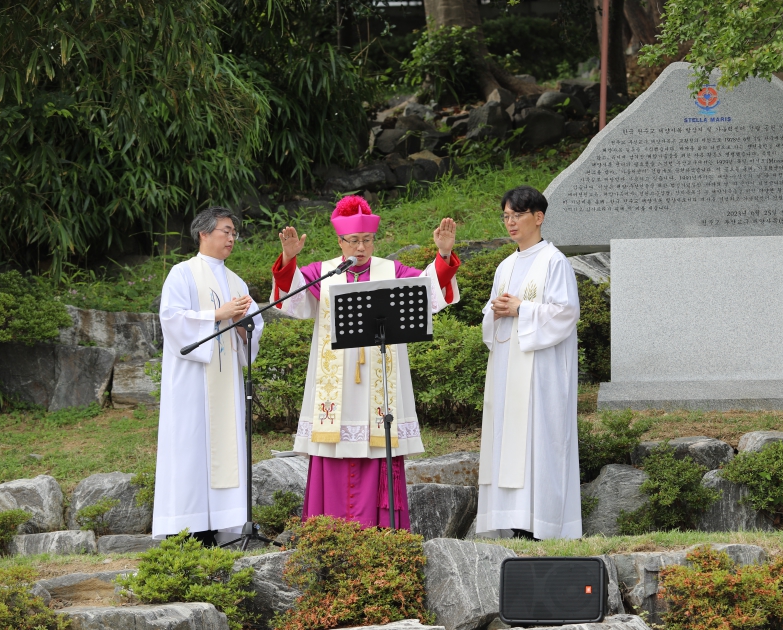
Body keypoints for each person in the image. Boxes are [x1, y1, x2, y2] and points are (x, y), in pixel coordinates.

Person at [271, 195, 461, 529]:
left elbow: (429, 291)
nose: (361, 247)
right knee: (333, 446)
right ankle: (328, 530)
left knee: (379, 443)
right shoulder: (323, 273)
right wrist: (289, 259)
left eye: (367, 240)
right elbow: (291, 299)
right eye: (354, 241)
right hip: (337, 389)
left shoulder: (392, 271)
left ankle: (380, 530)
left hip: (379, 381)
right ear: (340, 240)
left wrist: (443, 255)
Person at [476, 185, 582, 541]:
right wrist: (495, 311)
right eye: (506, 216)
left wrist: (522, 308)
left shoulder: (554, 261)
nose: (510, 222)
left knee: (539, 442)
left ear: (538, 217)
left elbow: (566, 314)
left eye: (517, 215)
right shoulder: (505, 266)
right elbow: (493, 318)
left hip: (542, 373)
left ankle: (544, 525)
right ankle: (516, 523)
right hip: (508, 370)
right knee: (509, 441)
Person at [153, 207, 262, 545]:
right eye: (225, 231)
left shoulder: (236, 281)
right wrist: (218, 314)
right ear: (203, 233)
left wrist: (245, 327)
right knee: (190, 449)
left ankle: (225, 527)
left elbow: (253, 327)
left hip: (225, 382)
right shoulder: (182, 273)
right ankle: (189, 528)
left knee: (223, 446)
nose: (232, 238)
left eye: (234, 233)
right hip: (191, 383)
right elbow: (172, 320)